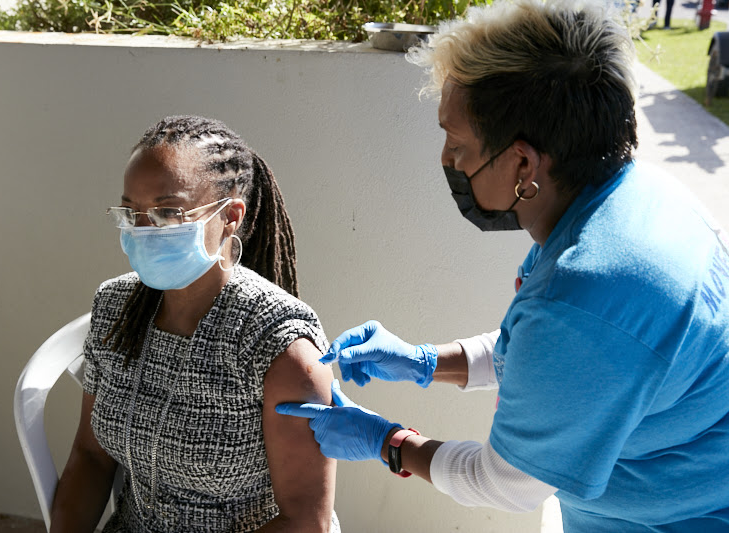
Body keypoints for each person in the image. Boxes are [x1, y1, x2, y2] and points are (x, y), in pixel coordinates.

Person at [276, 0, 729, 531]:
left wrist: (388, 442)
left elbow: (506, 481)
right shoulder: (626, 199)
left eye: (457, 142)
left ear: (523, 163)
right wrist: (425, 361)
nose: (447, 159)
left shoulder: (589, 289)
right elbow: (550, 359)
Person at [51, 115, 340, 533]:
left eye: (168, 213)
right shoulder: (115, 308)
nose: (145, 231)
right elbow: (91, 457)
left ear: (231, 216)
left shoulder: (278, 344)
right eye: (132, 213)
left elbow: (304, 521)